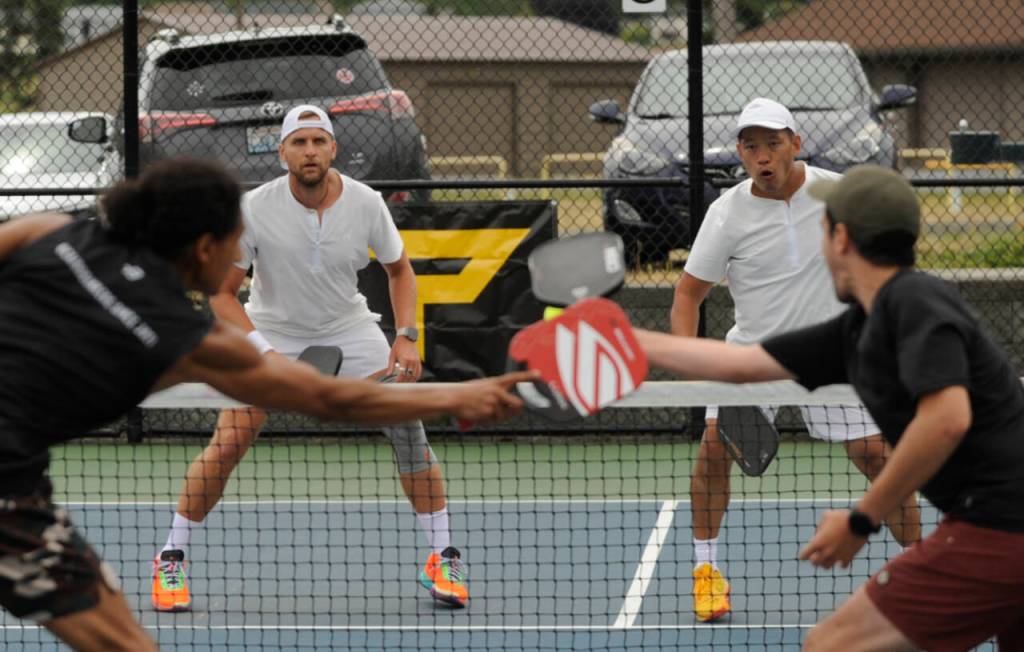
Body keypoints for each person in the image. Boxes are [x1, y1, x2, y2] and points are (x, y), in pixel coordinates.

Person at [0, 157, 532, 651]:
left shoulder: (51, 232)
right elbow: (328, 398)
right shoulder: (190, 342)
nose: (242, 255)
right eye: (235, 239)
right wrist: (464, 394)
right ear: (205, 247)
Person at [638, 164, 1024, 650]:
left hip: (999, 532)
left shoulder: (914, 303)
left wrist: (862, 519)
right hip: (997, 529)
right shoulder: (860, 327)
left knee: (830, 643)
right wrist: (622, 340)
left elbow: (946, 420)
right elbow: (741, 366)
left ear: (840, 238)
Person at [150, 105, 469, 613]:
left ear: (334, 148)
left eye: (319, 141)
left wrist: (406, 336)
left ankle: (444, 556)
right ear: (283, 153)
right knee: (231, 441)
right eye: (299, 143)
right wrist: (266, 353)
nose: (310, 151)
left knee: (407, 425)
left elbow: (400, 271)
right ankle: (171, 557)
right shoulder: (253, 208)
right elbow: (222, 296)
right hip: (270, 329)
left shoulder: (366, 202)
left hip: (349, 326)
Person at [671, 98, 921, 622]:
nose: (761, 155)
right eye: (750, 145)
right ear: (740, 151)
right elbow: (689, 293)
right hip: (754, 357)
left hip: (832, 354)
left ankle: (920, 571)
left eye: (772, 143)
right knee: (713, 456)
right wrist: (691, 368)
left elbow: (886, 261)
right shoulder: (726, 213)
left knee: (880, 458)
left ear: (795, 144)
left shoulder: (837, 194)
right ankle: (706, 572)